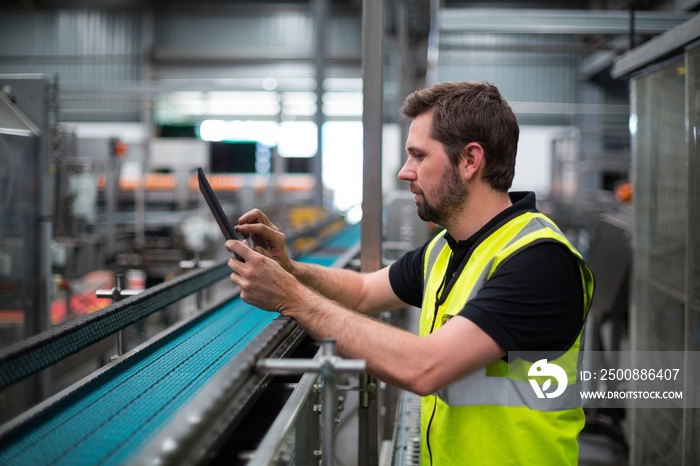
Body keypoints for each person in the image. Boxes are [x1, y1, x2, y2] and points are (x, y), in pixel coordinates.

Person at [225, 81, 595, 466]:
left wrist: (291, 296)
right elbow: (365, 291)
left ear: (470, 161)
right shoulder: (447, 247)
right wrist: (291, 269)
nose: (405, 172)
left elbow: (424, 367)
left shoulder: (539, 261)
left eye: (418, 156)